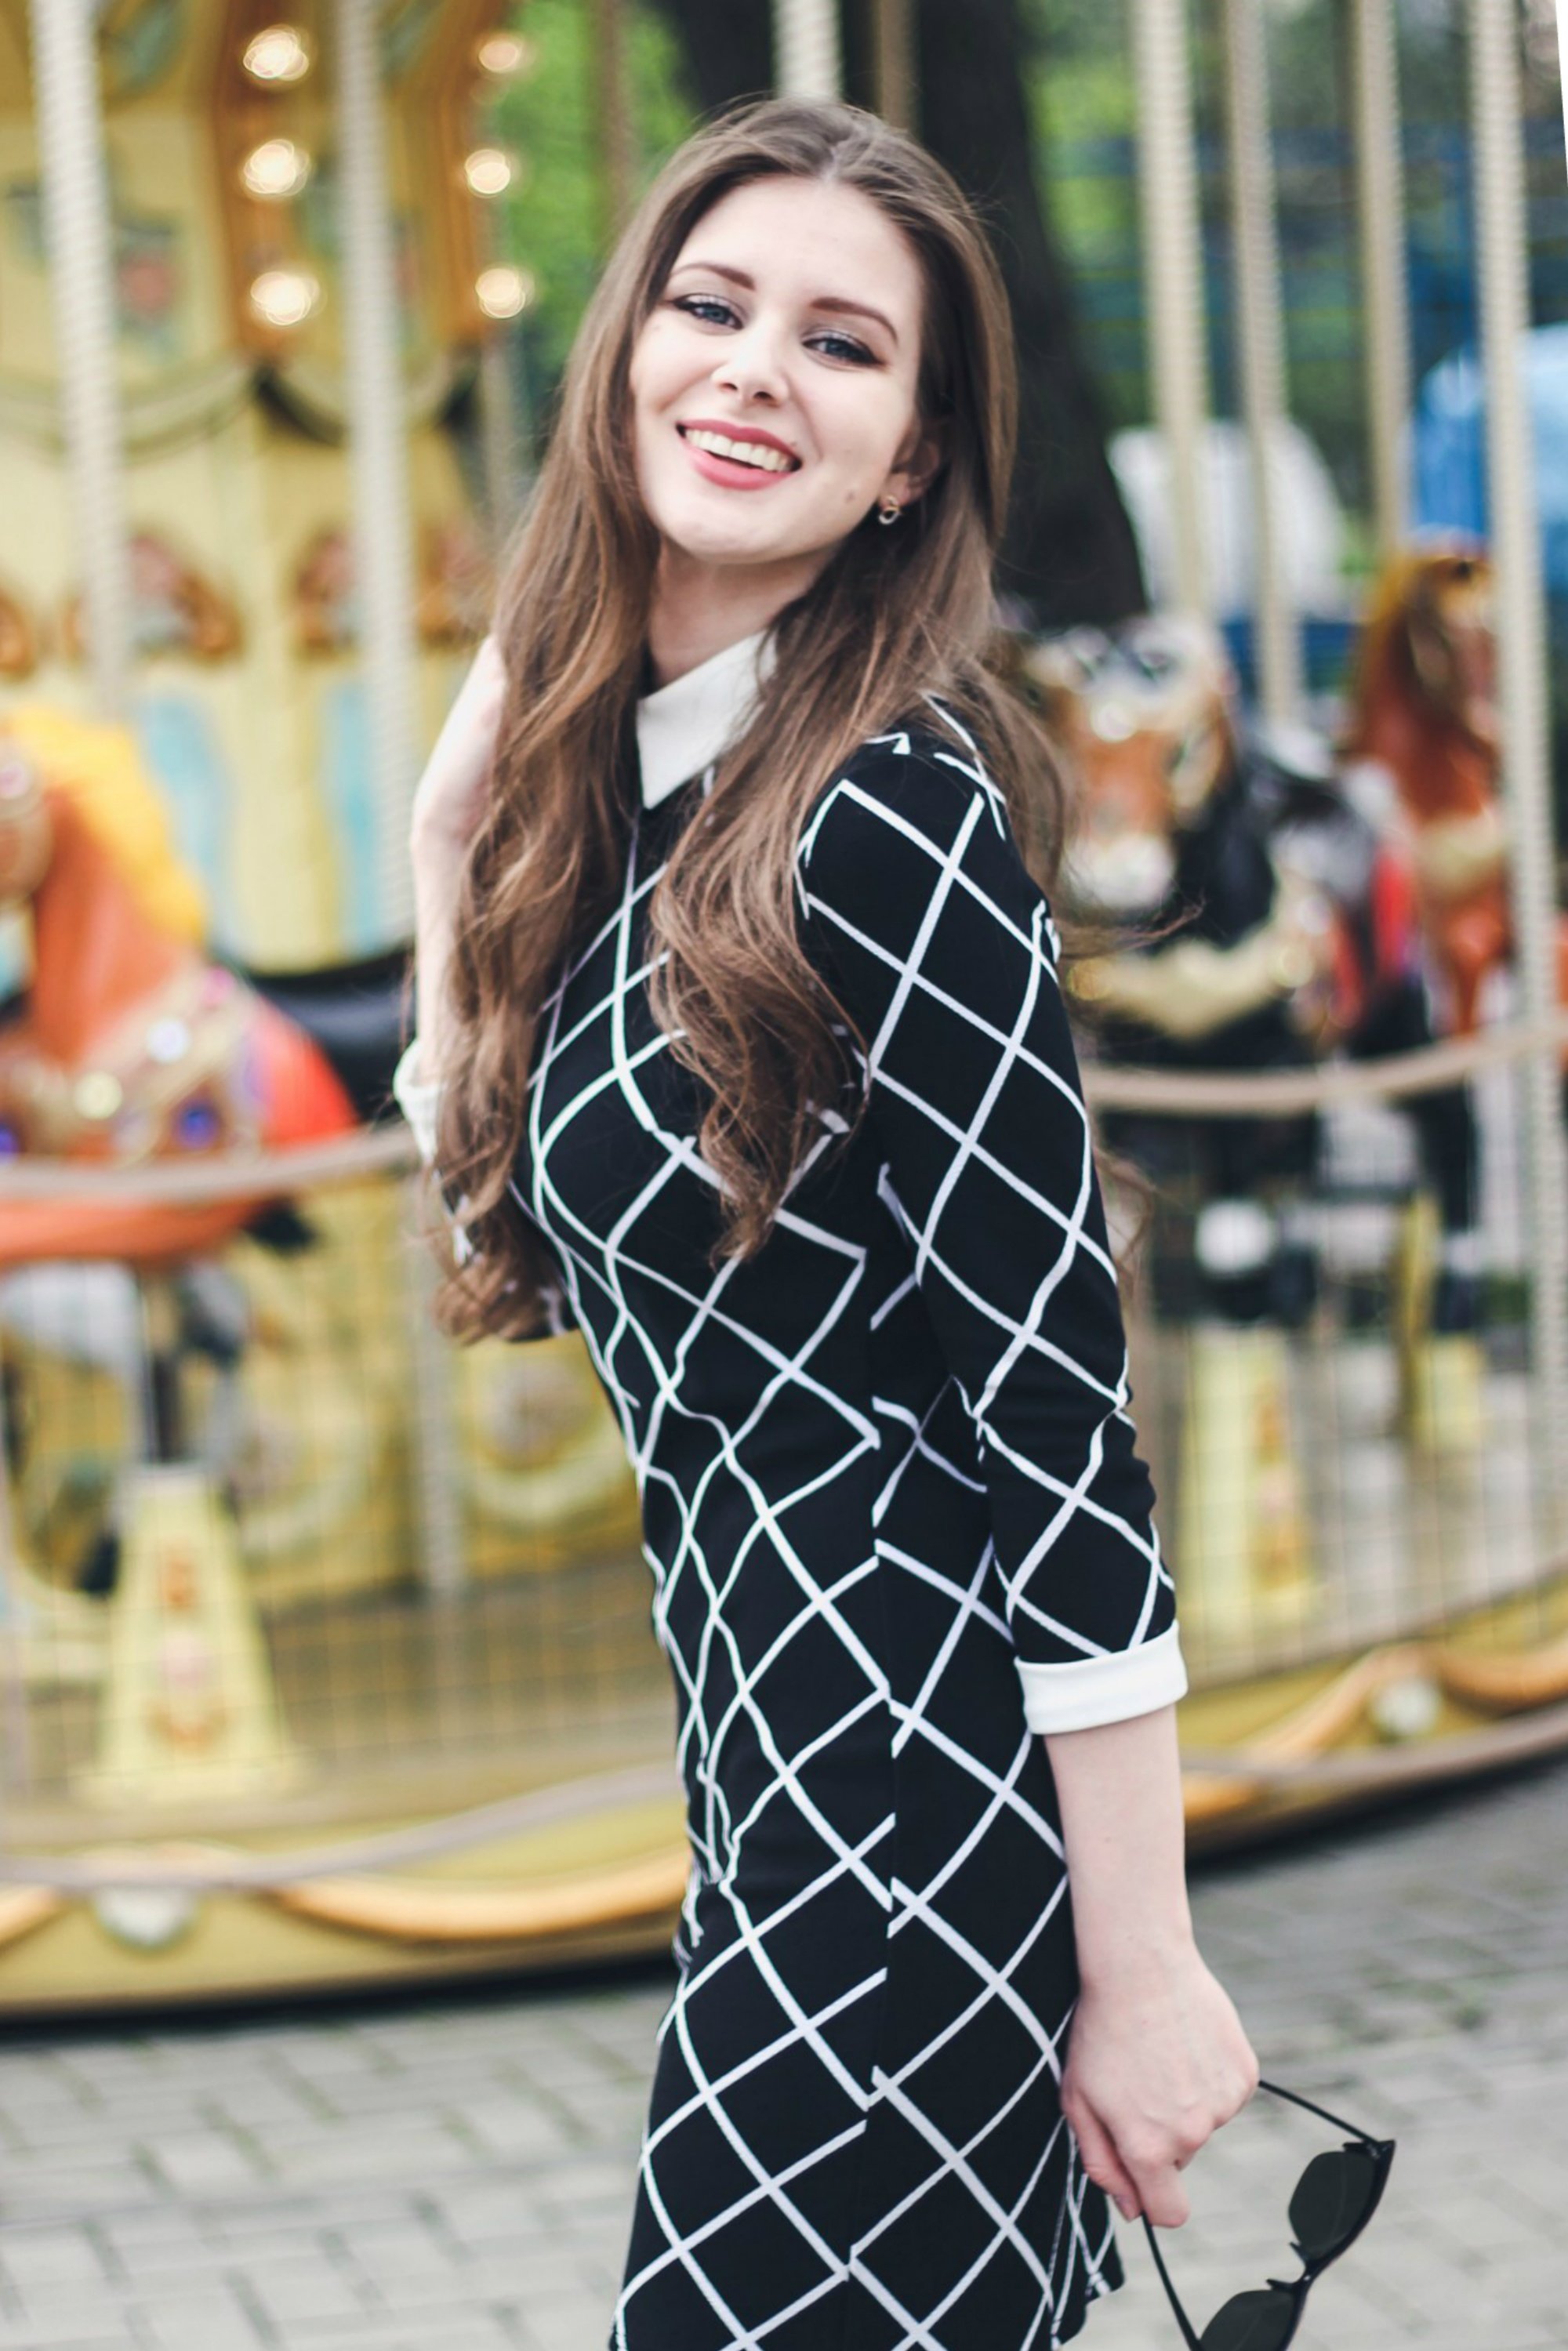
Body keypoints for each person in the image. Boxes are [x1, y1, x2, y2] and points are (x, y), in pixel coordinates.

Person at [395, 96, 1258, 2351]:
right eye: (713, 304)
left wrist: (1149, 1965)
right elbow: (509, 1216)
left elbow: (1058, 1418)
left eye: (844, 343)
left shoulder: (891, 813)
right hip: (780, 1807)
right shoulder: (644, 798)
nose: (757, 368)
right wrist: (447, 837)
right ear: (624, 354)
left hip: (909, 1826)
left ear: (908, 460)